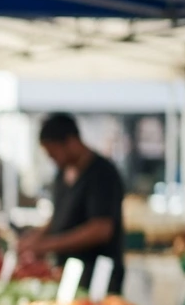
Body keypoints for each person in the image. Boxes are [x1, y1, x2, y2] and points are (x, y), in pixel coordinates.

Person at [20, 113, 125, 293]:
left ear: (71, 141)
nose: (51, 159)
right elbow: (60, 216)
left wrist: (46, 245)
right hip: (68, 273)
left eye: (53, 152)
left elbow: (100, 229)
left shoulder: (103, 173)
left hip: (98, 272)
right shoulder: (62, 174)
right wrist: (36, 237)